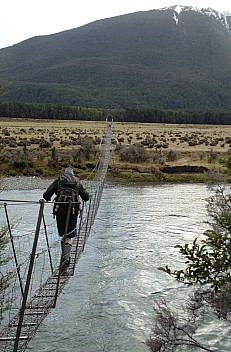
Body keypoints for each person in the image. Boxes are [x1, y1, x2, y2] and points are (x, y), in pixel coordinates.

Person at [43, 167, 89, 272]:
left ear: (64, 174)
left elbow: (46, 195)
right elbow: (86, 197)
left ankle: (64, 260)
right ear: (73, 174)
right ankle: (65, 261)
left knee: (64, 235)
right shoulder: (77, 182)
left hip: (59, 212)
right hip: (72, 212)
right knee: (69, 237)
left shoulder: (59, 181)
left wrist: (49, 198)